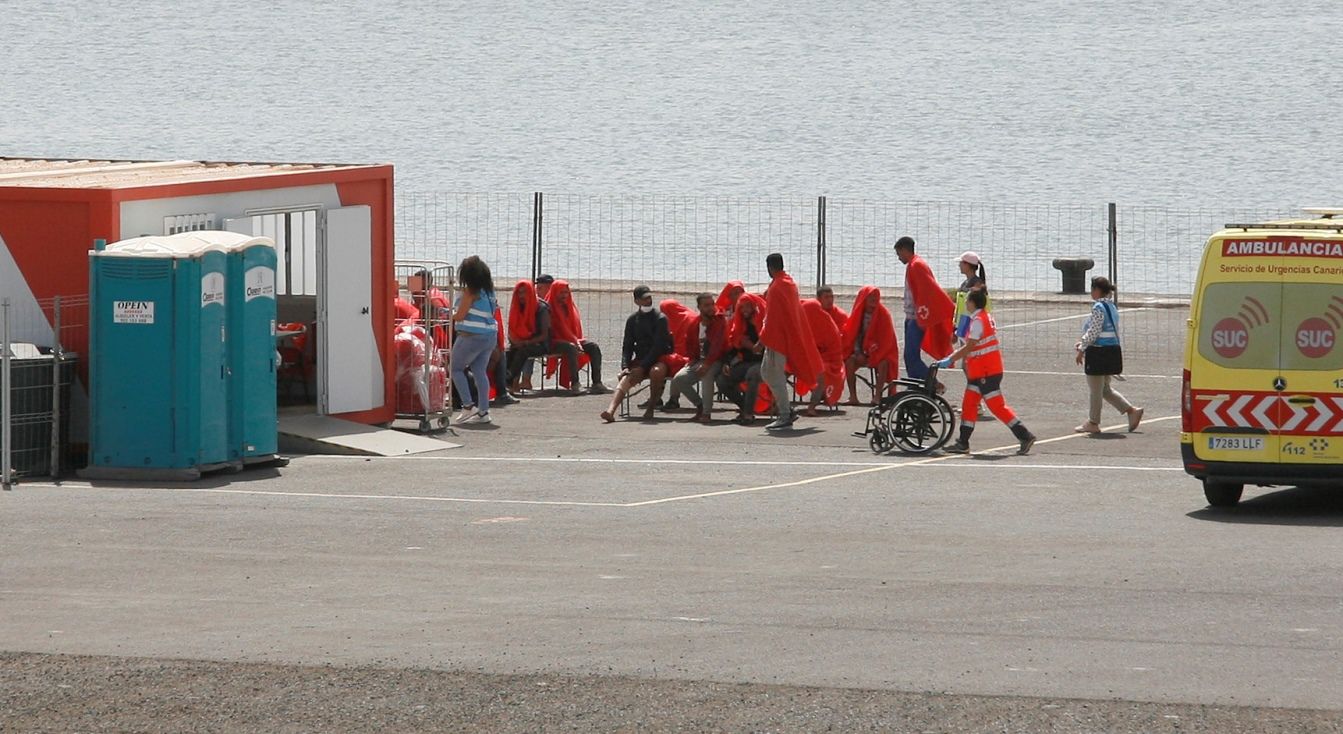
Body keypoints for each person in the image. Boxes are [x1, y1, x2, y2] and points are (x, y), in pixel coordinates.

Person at [934, 288, 1036, 455]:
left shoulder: (978, 321)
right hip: (981, 371)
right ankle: (963, 442)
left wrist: (950, 359)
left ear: (973, 303)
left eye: (967, 300)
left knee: (997, 406)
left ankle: (1024, 435)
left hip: (986, 371)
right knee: (969, 404)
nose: (965, 303)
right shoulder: (983, 318)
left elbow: (969, 346)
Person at [759, 253, 822, 431]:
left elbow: (772, 318)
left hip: (776, 338)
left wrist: (762, 340)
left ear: (769, 268)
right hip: (783, 336)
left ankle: (785, 414)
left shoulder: (777, 287)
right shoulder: (788, 283)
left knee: (772, 374)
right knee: (768, 373)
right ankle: (786, 410)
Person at [1074, 276, 1143, 434]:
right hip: (1110, 351)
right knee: (1105, 389)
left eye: (1092, 289)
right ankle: (1132, 411)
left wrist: (1082, 348)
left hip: (1098, 352)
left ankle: (1093, 422)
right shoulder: (1111, 306)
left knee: (1096, 390)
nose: (1091, 292)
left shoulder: (1098, 307)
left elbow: (1094, 330)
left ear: (1097, 290)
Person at [601, 285, 672, 422]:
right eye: (644, 298)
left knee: (656, 372)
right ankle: (611, 410)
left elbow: (659, 347)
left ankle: (651, 407)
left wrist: (643, 367)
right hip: (640, 359)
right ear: (637, 301)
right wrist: (625, 366)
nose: (648, 300)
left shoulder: (660, 318)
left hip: (659, 359)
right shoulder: (633, 319)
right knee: (625, 378)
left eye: (649, 297)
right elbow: (627, 345)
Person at [894, 237, 955, 384]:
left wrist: (923, 317)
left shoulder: (917, 265)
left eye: (899, 253)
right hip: (912, 317)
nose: (898, 257)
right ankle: (915, 386)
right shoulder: (914, 264)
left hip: (916, 319)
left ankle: (933, 384)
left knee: (911, 357)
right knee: (910, 357)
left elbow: (927, 291)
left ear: (904, 249)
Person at [449, 256, 500, 425]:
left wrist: (447, 314)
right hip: (489, 336)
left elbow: (460, 315)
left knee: (455, 368)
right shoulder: (489, 292)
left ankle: (468, 405)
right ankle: (483, 411)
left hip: (471, 336)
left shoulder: (470, 292)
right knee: (479, 371)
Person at [666, 293, 728, 422]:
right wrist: (692, 359)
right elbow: (689, 343)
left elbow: (717, 346)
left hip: (717, 360)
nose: (711, 308)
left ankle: (706, 412)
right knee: (679, 379)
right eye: (706, 305)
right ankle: (699, 405)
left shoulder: (720, 321)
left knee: (707, 374)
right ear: (699, 307)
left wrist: (706, 364)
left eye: (712, 304)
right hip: (698, 360)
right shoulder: (694, 323)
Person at [841, 286, 900, 405]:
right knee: (849, 362)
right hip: (861, 353)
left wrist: (874, 354)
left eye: (875, 297)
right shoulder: (858, 314)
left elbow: (887, 340)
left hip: (880, 352)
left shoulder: (883, 315)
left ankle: (877, 397)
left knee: (884, 363)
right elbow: (853, 335)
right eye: (870, 297)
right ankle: (853, 397)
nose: (873, 300)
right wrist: (858, 353)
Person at [547, 280, 608, 394]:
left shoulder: (570, 306)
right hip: (554, 341)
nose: (564, 295)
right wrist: (576, 343)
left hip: (572, 339)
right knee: (571, 348)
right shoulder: (549, 307)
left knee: (593, 347)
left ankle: (597, 382)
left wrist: (577, 341)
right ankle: (575, 383)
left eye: (566, 292)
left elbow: (572, 330)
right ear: (555, 293)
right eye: (561, 293)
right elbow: (561, 328)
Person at [718, 293, 766, 425]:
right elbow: (732, 346)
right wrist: (727, 362)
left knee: (752, 375)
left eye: (748, 307)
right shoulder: (739, 323)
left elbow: (767, 344)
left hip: (764, 362)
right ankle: (745, 408)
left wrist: (752, 345)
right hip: (746, 361)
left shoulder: (763, 322)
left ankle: (748, 414)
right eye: (742, 307)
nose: (745, 310)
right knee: (722, 380)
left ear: (754, 307)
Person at [505, 279, 554, 392]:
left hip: (540, 344)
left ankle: (509, 381)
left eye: (524, 292)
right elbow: (512, 328)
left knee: (523, 351)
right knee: (507, 353)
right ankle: (508, 383)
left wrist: (525, 342)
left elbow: (544, 335)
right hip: (521, 342)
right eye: (519, 293)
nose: (521, 296)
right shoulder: (517, 307)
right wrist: (514, 341)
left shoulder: (541, 308)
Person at [800, 298, 845, 415]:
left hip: (827, 360)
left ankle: (812, 406)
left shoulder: (828, 325)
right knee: (782, 370)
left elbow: (833, 351)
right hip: (806, 358)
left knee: (820, 373)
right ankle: (778, 405)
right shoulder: (804, 324)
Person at [658, 299, 699, 409]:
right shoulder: (678, 317)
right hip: (682, 354)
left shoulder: (688, 319)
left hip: (690, 356)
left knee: (668, 364)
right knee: (664, 362)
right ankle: (660, 398)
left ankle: (672, 399)